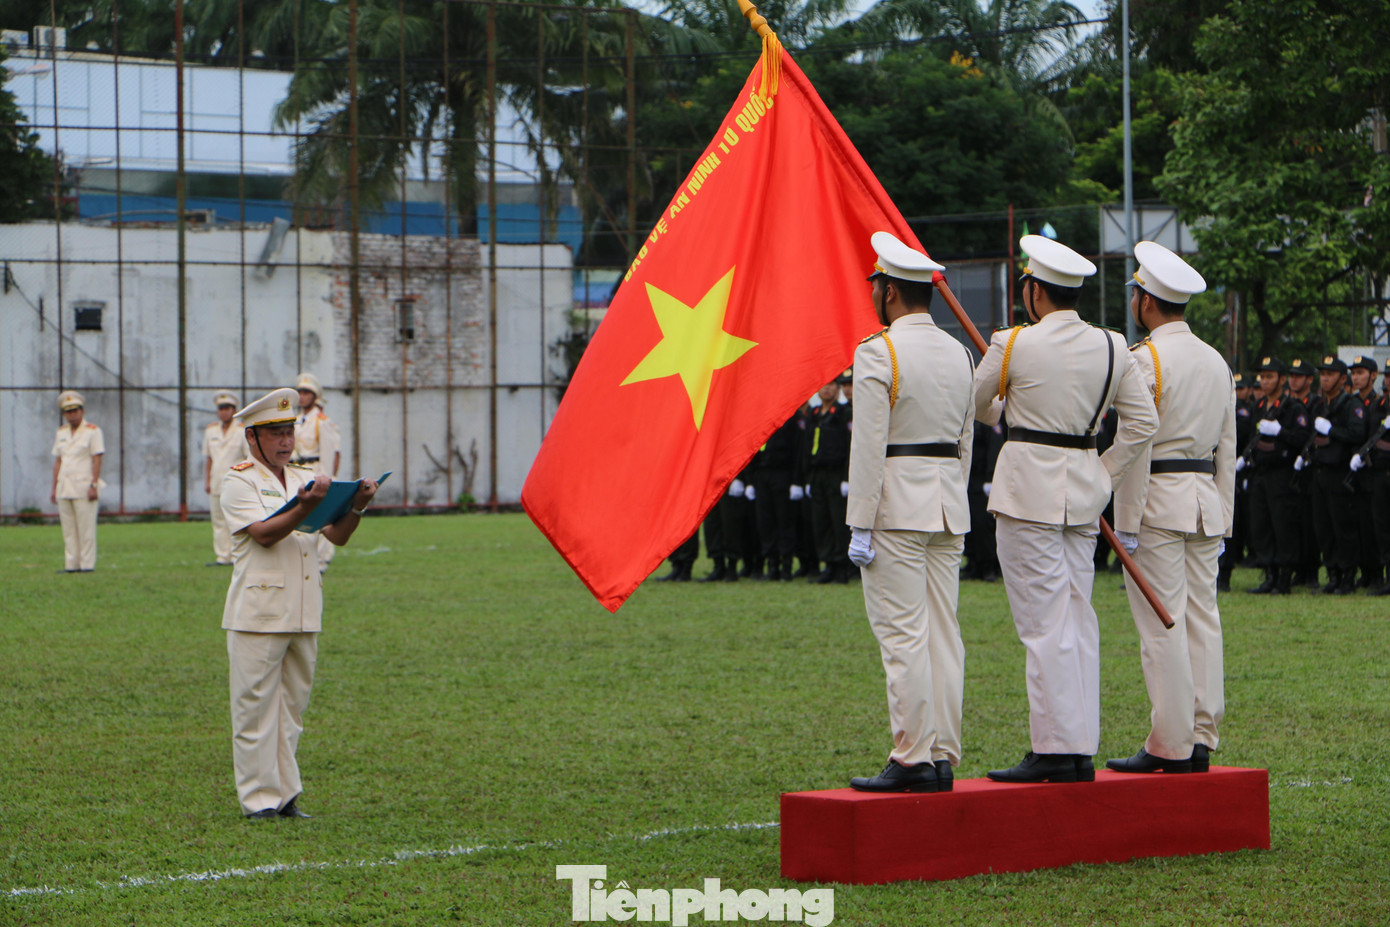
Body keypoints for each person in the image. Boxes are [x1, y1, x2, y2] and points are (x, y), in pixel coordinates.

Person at [973, 235, 1157, 785]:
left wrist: (1008, 403)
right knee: (1077, 617)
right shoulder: (1112, 345)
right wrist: (1104, 472)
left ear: (1034, 292)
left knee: (1042, 622)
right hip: (1083, 489)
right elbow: (1142, 424)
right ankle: (1075, 746)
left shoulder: (1011, 344)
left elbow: (978, 405)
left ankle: (1056, 749)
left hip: (1028, 490)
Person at [846, 232, 974, 794]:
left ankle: (912, 756)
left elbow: (868, 447)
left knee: (903, 635)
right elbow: (965, 440)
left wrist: (859, 522)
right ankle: (941, 750)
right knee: (943, 631)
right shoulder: (960, 352)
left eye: (878, 287)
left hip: (897, 505)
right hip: (947, 503)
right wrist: (954, 491)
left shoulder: (879, 352)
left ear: (891, 292)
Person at [1106, 242, 1235, 776]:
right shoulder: (1215, 359)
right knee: (1203, 619)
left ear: (1145, 302)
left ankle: (1171, 742)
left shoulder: (1145, 359)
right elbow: (1228, 446)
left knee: (1162, 626)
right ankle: (1201, 733)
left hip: (1158, 503)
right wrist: (1224, 511)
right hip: (1204, 501)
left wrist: (1126, 519)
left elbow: (1135, 446)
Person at [221, 387, 378, 820]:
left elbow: (336, 536)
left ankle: (286, 796)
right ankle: (258, 800)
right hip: (258, 614)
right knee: (254, 711)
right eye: (275, 433)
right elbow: (265, 533)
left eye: (289, 431)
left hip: (304, 609)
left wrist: (357, 508)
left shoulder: (300, 478)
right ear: (253, 438)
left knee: (291, 710)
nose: (286, 441)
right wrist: (304, 506)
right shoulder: (239, 479)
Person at [1242, 358, 1308, 594]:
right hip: (1261, 473)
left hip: (1282, 473)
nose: (1265, 381)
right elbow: (1252, 439)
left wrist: (1281, 432)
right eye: (1263, 376)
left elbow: (1302, 438)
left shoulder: (1292, 407)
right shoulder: (1259, 407)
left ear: (1281, 379)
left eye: (1270, 377)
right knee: (1262, 525)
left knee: (1283, 525)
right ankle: (1269, 574)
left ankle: (1284, 578)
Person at [1307, 356, 1366, 595]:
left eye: (1330, 374)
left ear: (1343, 379)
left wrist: (1332, 430)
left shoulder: (1350, 404)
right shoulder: (1321, 405)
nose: (1325, 378)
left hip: (1339, 472)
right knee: (1323, 526)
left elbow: (1357, 433)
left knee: (1343, 527)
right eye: (1323, 374)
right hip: (1320, 471)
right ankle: (1332, 574)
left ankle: (1348, 575)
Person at [50, 390, 104, 573]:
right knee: (69, 529)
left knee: (86, 528)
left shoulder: (93, 432)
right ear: (64, 414)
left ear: (82, 411)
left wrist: (94, 485)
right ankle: (71, 565)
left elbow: (97, 458)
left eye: (75, 411)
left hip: (83, 485)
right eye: (68, 412)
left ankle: (87, 565)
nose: (72, 415)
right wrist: (53, 487)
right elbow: (58, 460)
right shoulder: (61, 433)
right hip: (64, 486)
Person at [807, 373, 853, 584]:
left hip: (836, 474)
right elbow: (805, 449)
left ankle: (842, 566)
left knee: (837, 521)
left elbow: (849, 446)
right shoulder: (815, 413)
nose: (826, 389)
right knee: (821, 521)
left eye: (831, 385)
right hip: (818, 474)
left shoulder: (843, 413)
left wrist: (846, 477)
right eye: (822, 385)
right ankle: (828, 564)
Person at [294, 373, 341, 573]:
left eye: (307, 393)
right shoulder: (296, 420)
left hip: (316, 470)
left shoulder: (322, 421)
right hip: (297, 470)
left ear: (315, 396)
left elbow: (330, 453)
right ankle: (306, 557)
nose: (302, 397)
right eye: (300, 393)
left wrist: (328, 479)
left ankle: (322, 559)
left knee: (321, 515)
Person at [204, 391, 251, 566]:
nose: (223, 412)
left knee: (236, 520)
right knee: (218, 521)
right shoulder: (211, 431)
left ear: (234, 410)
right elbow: (209, 457)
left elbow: (248, 458)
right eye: (221, 408)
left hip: (235, 481)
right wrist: (207, 480)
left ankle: (236, 555)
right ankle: (222, 556)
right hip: (216, 481)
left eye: (227, 408)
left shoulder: (241, 430)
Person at [1348, 356, 1381, 588]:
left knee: (1375, 524)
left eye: (1361, 372)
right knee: (1359, 524)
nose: (1356, 377)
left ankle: (1378, 572)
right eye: (1354, 372)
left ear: (1373, 376)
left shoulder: (1378, 403)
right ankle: (1366, 571)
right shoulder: (1351, 403)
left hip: (1373, 470)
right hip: (1355, 474)